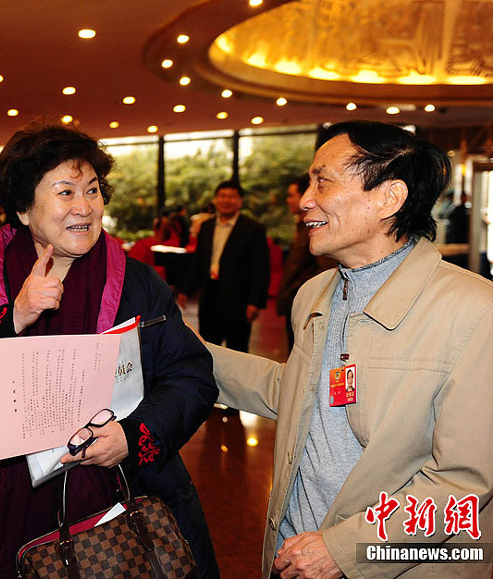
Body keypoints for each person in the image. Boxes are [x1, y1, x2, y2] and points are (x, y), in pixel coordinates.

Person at [0, 123, 221, 579]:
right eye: (65, 192)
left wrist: (133, 437)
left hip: (120, 491)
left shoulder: (136, 283)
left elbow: (192, 377)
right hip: (5, 497)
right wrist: (12, 317)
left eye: (92, 190)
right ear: (22, 208)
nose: (84, 207)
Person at [205, 121, 493, 579]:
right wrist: (185, 351)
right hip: (296, 551)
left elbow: (461, 482)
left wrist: (344, 550)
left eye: (323, 180)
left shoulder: (474, 312)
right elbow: (300, 394)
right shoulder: (315, 294)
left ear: (389, 198)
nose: (304, 200)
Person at [180, 180, 270, 352]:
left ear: (240, 201)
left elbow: (261, 268)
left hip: (239, 299)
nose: (226, 200)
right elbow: (198, 261)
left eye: (231, 197)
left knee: (237, 348)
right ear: (215, 199)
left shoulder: (253, 228)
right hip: (209, 295)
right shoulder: (206, 227)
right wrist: (186, 290)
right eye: (222, 196)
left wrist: (255, 303)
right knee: (208, 346)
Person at [275, 175, 337, 351]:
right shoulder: (302, 226)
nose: (291, 201)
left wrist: (301, 289)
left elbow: (326, 267)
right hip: (296, 299)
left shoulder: (316, 228)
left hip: (307, 301)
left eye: (291, 195)